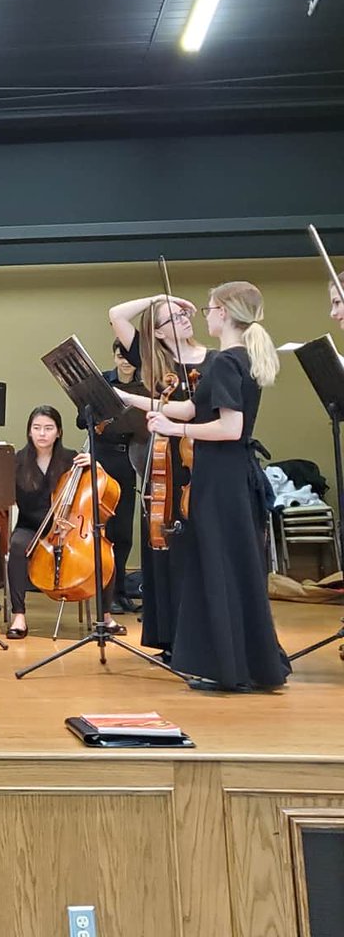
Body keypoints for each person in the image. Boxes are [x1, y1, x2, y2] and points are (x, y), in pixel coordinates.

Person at [142, 282, 289, 691]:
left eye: (208, 309)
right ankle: (244, 666)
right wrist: (131, 400)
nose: (205, 316)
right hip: (232, 476)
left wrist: (175, 429)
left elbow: (229, 427)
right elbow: (193, 407)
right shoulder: (241, 357)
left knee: (218, 569)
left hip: (221, 479)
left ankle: (230, 671)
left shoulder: (225, 361)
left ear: (224, 312)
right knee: (233, 569)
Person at [108, 292, 216, 657]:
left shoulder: (215, 360)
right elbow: (117, 313)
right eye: (173, 317)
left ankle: (204, 637)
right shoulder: (156, 363)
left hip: (205, 459)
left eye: (184, 314)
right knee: (167, 550)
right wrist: (160, 297)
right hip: (166, 466)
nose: (184, 318)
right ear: (157, 332)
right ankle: (171, 637)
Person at [4, 406, 125, 640]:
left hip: (70, 528)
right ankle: (19, 616)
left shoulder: (72, 460)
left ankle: (106, 616)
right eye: (37, 428)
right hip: (32, 527)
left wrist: (96, 465)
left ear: (58, 432)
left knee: (102, 552)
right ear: (29, 431)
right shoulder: (17, 462)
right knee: (17, 546)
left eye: (48, 428)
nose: (42, 434)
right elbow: (11, 499)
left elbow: (97, 485)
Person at [76, 340, 145, 615]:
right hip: (102, 459)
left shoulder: (144, 387)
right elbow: (81, 421)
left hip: (129, 458)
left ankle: (120, 591)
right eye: (120, 356)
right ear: (114, 357)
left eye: (130, 356)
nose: (125, 361)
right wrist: (96, 414)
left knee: (124, 532)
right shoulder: (102, 382)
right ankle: (106, 595)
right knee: (104, 530)